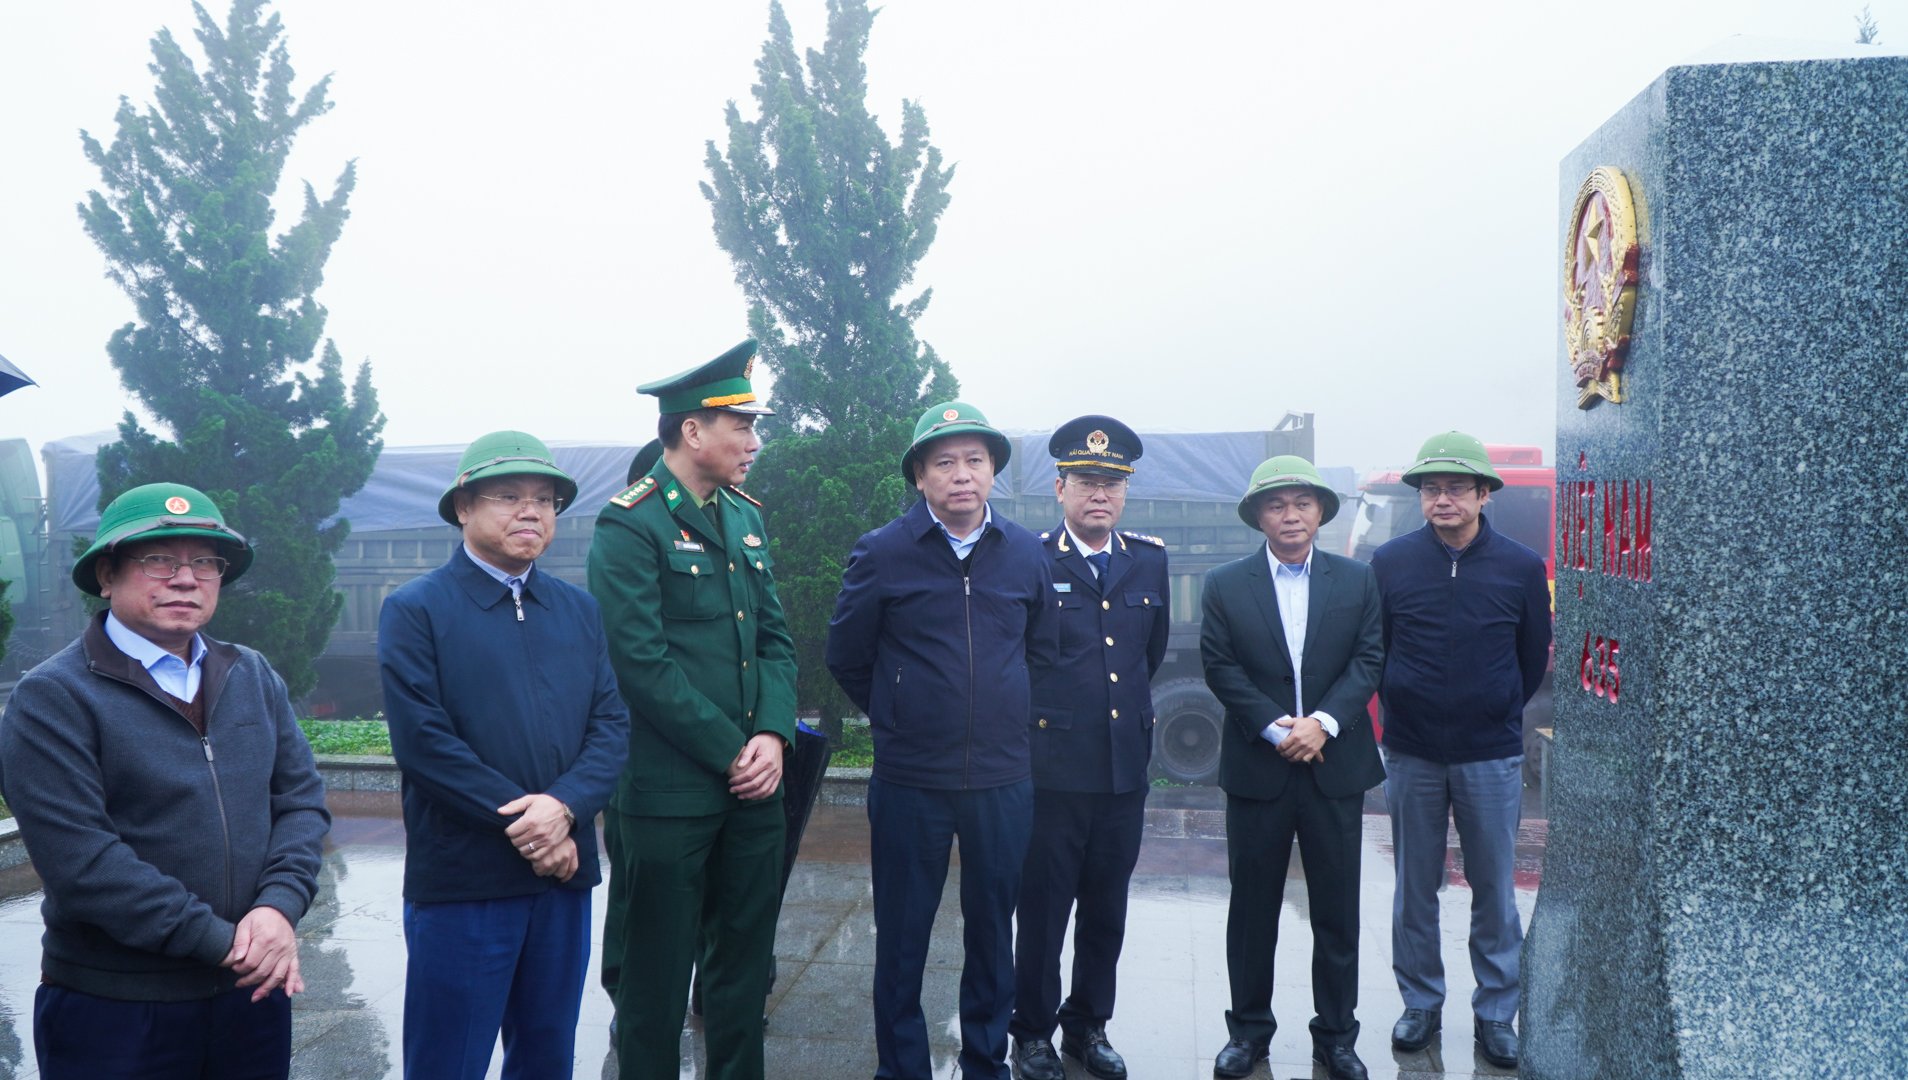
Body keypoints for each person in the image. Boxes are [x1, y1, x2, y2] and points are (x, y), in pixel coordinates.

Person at [0, 482, 330, 1079]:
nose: (186, 579)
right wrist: (230, 944)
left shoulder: (250, 673)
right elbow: (84, 862)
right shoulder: (54, 696)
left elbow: (300, 802)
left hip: (250, 996)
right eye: (159, 559)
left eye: (205, 562)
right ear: (107, 573)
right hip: (119, 1005)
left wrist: (279, 909)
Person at [378, 430, 630, 1079]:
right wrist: (536, 824)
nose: (531, 511)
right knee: (449, 1059)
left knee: (546, 1056)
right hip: (467, 879)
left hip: (560, 881)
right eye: (509, 496)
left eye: (545, 499)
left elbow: (610, 726)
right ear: (464, 507)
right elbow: (425, 744)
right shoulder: (417, 610)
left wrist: (565, 808)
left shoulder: (577, 610)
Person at [826, 400, 1058, 1080]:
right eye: (945, 462)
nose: (962, 474)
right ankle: (902, 1068)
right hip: (910, 781)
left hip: (1001, 779)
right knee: (902, 938)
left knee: (993, 934)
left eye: (976, 460)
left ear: (994, 473)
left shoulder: (1024, 553)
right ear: (921, 477)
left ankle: (987, 1061)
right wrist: (899, 714)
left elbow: (1040, 650)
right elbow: (847, 654)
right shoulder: (883, 552)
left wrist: (1006, 714)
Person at [588, 339, 797, 1080]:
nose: (752, 441)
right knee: (654, 979)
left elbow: (774, 638)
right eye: (739, 425)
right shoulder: (630, 526)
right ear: (690, 431)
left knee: (742, 976)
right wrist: (730, 750)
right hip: (669, 792)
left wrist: (771, 735)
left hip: (754, 789)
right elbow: (640, 665)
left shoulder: (744, 517)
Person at [1200, 457, 1384, 1080]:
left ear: (1320, 512)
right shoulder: (1225, 584)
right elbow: (1221, 667)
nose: (1291, 515)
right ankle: (1248, 1032)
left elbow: (1369, 658)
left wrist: (1323, 723)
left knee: (1337, 909)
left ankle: (1336, 1035)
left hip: (1336, 766)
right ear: (1258, 515)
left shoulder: (1358, 581)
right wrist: (1279, 726)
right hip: (1260, 765)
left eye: (1303, 503)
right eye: (1277, 505)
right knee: (1253, 909)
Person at [1371, 431, 1550, 1070]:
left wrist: (1495, 705)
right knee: (1414, 886)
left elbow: (1531, 660)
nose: (1441, 499)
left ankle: (1496, 1013)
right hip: (1413, 751)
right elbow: (1378, 648)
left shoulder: (1521, 567)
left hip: (1489, 754)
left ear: (1483, 494)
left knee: (1494, 889)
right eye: (1430, 489)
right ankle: (1420, 1002)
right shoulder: (1391, 563)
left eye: (1455, 488)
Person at [1009, 416, 1169, 1080]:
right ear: (1060, 488)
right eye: (1086, 482)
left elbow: (1147, 656)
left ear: (1124, 491)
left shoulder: (1148, 558)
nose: (1099, 494)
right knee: (1044, 915)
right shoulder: (1032, 558)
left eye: (1111, 483)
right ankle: (1033, 1034)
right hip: (1051, 774)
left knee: (1107, 909)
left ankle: (1088, 1027)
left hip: (1122, 772)